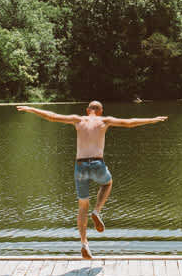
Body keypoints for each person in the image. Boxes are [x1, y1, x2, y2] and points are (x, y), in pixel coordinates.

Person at [16, 101, 167, 258]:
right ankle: (97, 211)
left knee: (82, 206)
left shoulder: (78, 119)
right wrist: (152, 119)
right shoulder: (104, 121)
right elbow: (129, 123)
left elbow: (52, 117)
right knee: (107, 183)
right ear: (101, 111)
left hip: (80, 165)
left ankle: (84, 243)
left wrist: (31, 109)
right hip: (97, 163)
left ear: (87, 110)